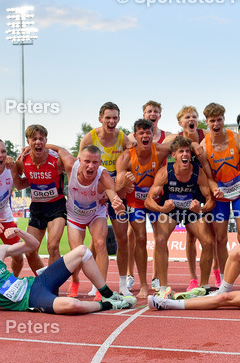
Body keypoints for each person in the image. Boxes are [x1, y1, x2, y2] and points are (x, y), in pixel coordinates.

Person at [0, 225, 136, 315]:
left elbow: (33, 245)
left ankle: (107, 293)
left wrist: (20, 232)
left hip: (36, 282)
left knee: (82, 251)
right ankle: (110, 305)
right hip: (31, 299)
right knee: (72, 305)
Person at [145, 136, 215, 296]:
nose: (185, 154)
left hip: (192, 210)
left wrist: (202, 209)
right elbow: (148, 201)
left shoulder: (198, 173)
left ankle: (204, 286)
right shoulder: (165, 173)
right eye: (181, 151)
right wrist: (162, 208)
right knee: (160, 240)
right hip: (170, 210)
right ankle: (163, 287)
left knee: (208, 242)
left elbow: (211, 201)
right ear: (174, 155)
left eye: (187, 151)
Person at [199, 103, 240, 289]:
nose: (216, 124)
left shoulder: (235, 137)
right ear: (207, 122)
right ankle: (226, 281)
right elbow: (208, 177)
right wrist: (214, 188)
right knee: (221, 238)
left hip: (239, 191)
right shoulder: (204, 145)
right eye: (212, 121)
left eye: (219, 120)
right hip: (221, 195)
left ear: (223, 119)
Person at [80, 102, 134, 292]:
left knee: (122, 239)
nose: (111, 121)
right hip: (96, 195)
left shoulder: (123, 137)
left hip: (118, 193)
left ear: (119, 119)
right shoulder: (90, 137)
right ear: (100, 119)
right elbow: (82, 165)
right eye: (108, 117)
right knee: (97, 241)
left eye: (115, 118)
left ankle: (122, 284)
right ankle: (97, 285)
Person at [116, 119, 172, 299]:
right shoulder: (126, 156)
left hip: (155, 201)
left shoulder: (161, 150)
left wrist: (197, 146)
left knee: (161, 239)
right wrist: (125, 180)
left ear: (152, 133)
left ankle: (162, 283)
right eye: (141, 133)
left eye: (148, 132)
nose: (145, 135)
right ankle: (144, 285)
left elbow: (182, 145)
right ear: (135, 136)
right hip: (135, 203)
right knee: (140, 238)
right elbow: (117, 185)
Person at [64, 145, 126, 296]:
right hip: (74, 215)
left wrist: (117, 204)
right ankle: (75, 281)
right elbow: (60, 149)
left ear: (100, 162)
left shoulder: (103, 176)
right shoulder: (70, 165)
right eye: (87, 161)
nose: (90, 166)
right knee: (76, 253)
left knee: (99, 243)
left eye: (95, 162)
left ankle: (101, 289)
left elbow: (113, 194)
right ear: (79, 160)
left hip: (95, 214)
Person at [163, 106, 211, 284]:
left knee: (209, 237)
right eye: (187, 117)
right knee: (191, 237)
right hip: (179, 188)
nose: (191, 120)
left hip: (201, 185)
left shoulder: (204, 133)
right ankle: (193, 278)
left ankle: (213, 273)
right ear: (180, 122)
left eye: (194, 117)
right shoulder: (174, 139)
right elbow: (158, 151)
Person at [15, 125, 69, 274]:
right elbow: (19, 185)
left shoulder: (57, 160)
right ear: (28, 141)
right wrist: (12, 169)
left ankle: (53, 285)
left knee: (52, 246)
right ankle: (44, 280)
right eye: (34, 139)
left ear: (46, 140)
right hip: (37, 207)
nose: (38, 142)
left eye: (41, 139)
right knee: (30, 250)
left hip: (57, 206)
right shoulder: (22, 161)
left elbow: (73, 165)